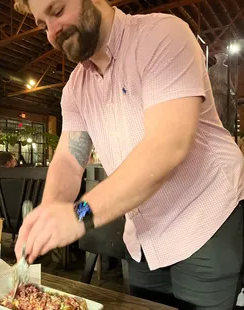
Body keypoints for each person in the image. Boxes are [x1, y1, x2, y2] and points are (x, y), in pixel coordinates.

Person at [14, 1, 244, 309]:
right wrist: (51, 209)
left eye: (57, 11)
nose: (53, 32)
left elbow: (167, 145)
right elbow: (71, 158)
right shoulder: (75, 89)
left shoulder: (161, 36)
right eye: (43, 24)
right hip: (145, 235)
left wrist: (77, 215)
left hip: (204, 219)